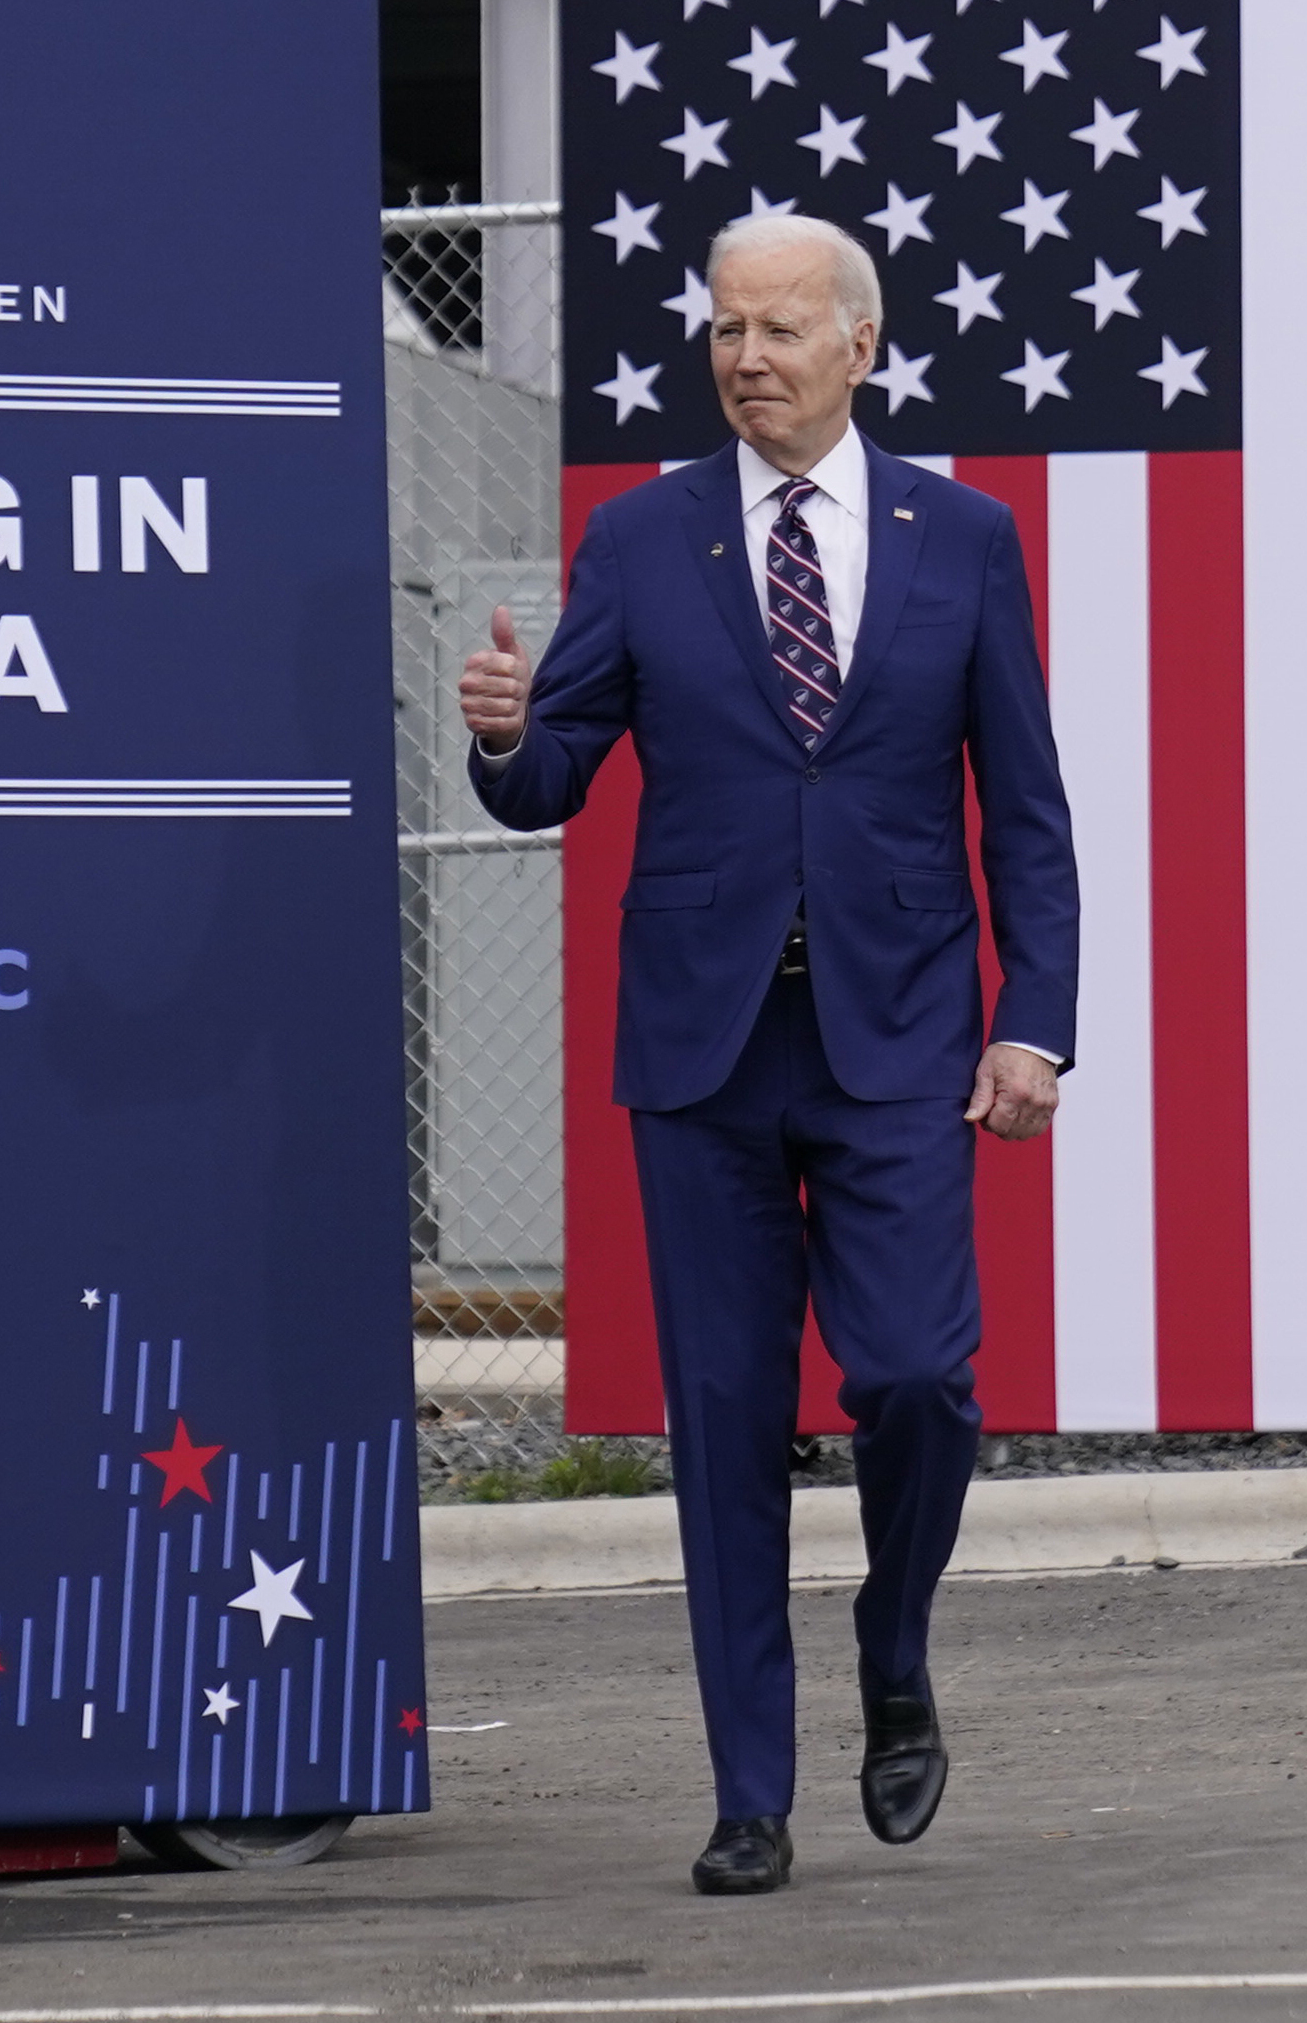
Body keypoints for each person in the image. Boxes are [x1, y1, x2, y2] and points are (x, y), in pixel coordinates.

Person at [456, 211, 1077, 1898]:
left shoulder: (961, 536)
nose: (746, 357)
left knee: (914, 1376)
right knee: (725, 1419)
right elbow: (552, 772)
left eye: (780, 328)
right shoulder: (640, 535)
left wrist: (1034, 1018)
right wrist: (505, 736)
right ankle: (749, 1790)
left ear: (858, 345)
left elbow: (1023, 802)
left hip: (899, 1036)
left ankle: (895, 1638)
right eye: (726, 327)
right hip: (705, 1051)